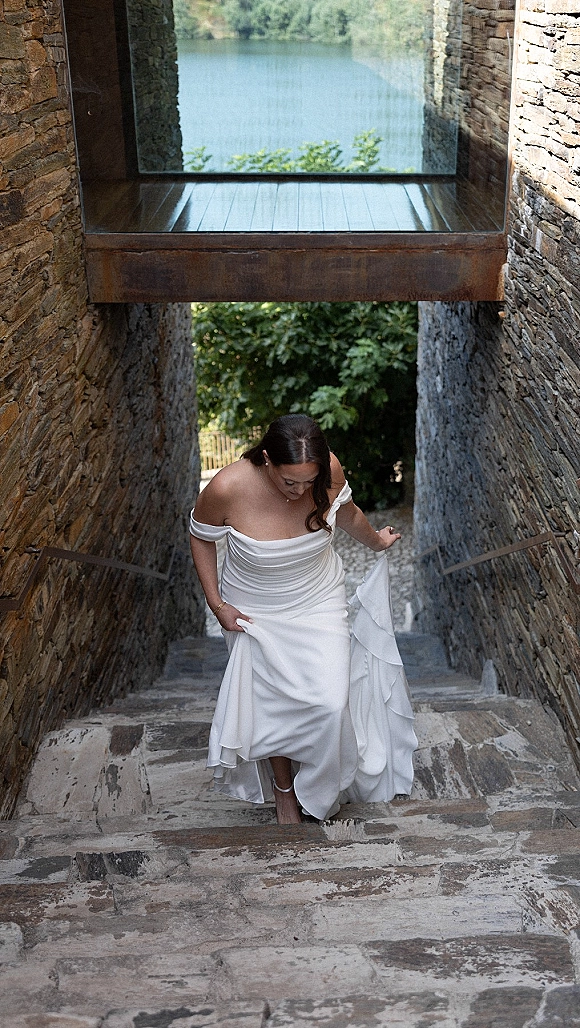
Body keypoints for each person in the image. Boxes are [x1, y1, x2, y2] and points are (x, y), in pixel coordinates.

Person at [189, 413, 417, 824]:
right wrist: (217, 604)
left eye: (307, 483)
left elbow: (345, 513)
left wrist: (377, 541)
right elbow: (201, 537)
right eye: (288, 481)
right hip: (255, 608)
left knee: (330, 703)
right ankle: (283, 790)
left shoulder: (327, 468)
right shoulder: (227, 487)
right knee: (271, 701)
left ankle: (318, 785)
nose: (298, 492)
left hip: (318, 597)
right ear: (266, 460)